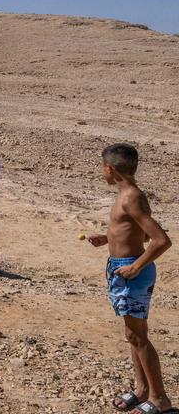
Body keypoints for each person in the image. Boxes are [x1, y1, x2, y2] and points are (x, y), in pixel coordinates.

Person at [88, 144, 172, 414]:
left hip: (130, 271)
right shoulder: (129, 194)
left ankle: (159, 399)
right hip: (122, 268)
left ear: (110, 169)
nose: (102, 172)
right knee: (133, 334)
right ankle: (142, 389)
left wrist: (135, 266)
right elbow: (141, 234)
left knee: (138, 336)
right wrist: (107, 238)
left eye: (102, 168)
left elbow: (161, 240)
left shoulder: (130, 198)